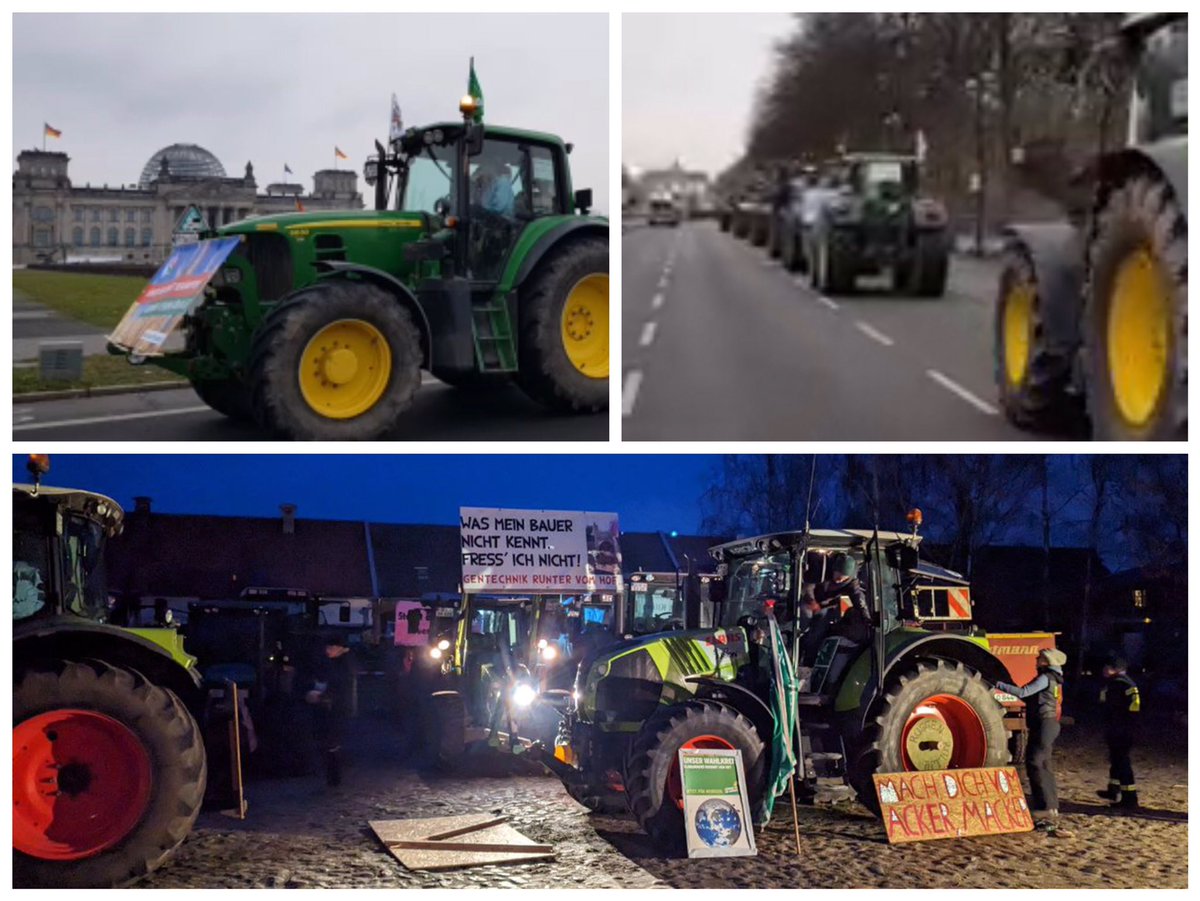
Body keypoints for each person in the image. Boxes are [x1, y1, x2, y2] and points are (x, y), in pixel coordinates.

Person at [995, 648, 1067, 830]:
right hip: (1049, 724)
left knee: (1034, 762)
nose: (1036, 659)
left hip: (1044, 724)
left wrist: (997, 683)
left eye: (1040, 658)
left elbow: (1023, 693)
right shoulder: (1054, 679)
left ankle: (1044, 807)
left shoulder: (1045, 678)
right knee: (1044, 765)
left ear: (1046, 661)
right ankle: (1051, 808)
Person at [799, 553, 870, 667]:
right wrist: (812, 602)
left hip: (826, 607)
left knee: (819, 630)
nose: (840, 579)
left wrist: (866, 617)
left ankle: (808, 663)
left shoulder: (851, 583)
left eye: (844, 577)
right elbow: (808, 587)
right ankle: (796, 639)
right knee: (804, 617)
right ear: (834, 569)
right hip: (808, 602)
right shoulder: (820, 571)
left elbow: (858, 599)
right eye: (838, 574)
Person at [306, 635, 355, 787]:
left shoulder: (344, 665)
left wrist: (321, 696)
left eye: (331, 647)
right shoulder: (331, 663)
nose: (328, 650)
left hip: (336, 709)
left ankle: (334, 777)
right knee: (329, 743)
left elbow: (340, 688)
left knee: (332, 743)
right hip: (329, 708)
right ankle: (331, 776)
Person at [1097, 656, 1140, 809]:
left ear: (1113, 668)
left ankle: (1129, 798)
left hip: (1119, 729)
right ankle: (1113, 789)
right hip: (1126, 728)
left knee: (1122, 762)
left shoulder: (1116, 685)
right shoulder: (1127, 682)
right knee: (1116, 760)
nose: (1103, 670)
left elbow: (1112, 708)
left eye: (1106, 667)